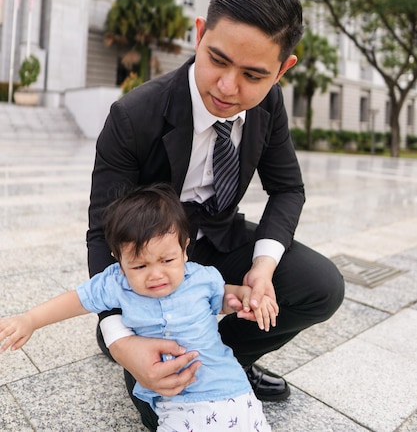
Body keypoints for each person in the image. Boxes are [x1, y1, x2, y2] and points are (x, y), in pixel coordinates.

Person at [87, 0, 345, 431]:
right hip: (155, 262)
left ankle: (230, 360)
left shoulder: (269, 105)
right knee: (164, 408)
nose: (227, 87)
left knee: (321, 285)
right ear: (200, 34)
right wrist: (120, 339)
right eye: (217, 60)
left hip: (218, 241)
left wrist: (261, 270)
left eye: (253, 75)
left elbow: (288, 189)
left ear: (282, 70)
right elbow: (100, 232)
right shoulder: (134, 116)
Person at [0, 184, 275, 431]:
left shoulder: (202, 277)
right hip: (177, 402)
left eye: (167, 260)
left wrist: (240, 297)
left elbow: (223, 298)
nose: (156, 274)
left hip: (233, 388)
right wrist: (30, 319)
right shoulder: (116, 284)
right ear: (118, 259)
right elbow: (76, 300)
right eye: (140, 266)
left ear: (184, 249)